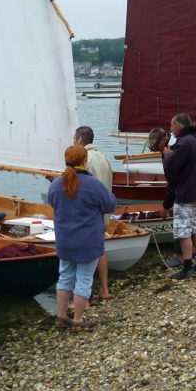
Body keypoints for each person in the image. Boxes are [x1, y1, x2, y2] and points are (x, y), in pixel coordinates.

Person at [47, 145, 117, 331]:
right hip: (88, 241)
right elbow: (110, 205)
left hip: (65, 241)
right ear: (85, 161)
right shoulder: (93, 184)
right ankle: (78, 320)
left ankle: (61, 317)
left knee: (65, 278)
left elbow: (52, 203)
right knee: (84, 279)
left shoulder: (55, 184)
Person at [162, 113, 196, 280]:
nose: (170, 129)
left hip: (187, 193)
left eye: (172, 125)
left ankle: (187, 266)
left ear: (179, 126)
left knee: (183, 232)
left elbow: (172, 167)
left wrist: (167, 155)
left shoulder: (184, 142)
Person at [74, 126, 114, 303]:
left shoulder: (84, 159)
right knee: (100, 251)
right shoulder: (104, 158)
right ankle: (104, 290)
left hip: (88, 214)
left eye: (74, 139)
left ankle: (85, 296)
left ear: (80, 141)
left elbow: (82, 187)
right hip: (103, 212)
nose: (73, 142)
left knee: (85, 254)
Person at [148, 127, 183, 269]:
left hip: (183, 193)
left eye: (157, 146)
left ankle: (180, 256)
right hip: (188, 190)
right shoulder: (170, 150)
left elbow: (173, 182)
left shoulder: (171, 152)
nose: (156, 149)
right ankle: (192, 252)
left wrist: (166, 206)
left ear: (164, 139)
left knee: (180, 226)